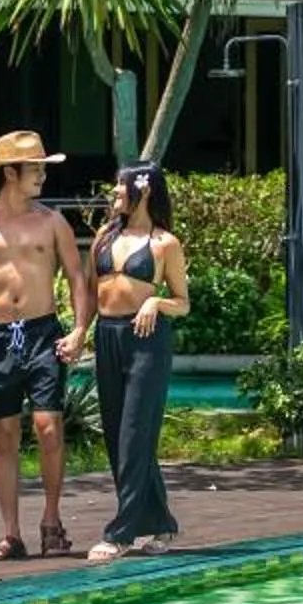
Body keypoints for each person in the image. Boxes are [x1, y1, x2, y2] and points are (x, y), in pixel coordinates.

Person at [0, 130, 91, 562]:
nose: (43, 176)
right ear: (10, 172)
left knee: (49, 427)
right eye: (36, 169)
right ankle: (11, 534)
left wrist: (80, 329)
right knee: (4, 435)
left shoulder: (52, 221)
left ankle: (51, 521)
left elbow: (78, 277)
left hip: (43, 332)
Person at [85, 160, 190, 563]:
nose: (113, 194)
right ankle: (161, 523)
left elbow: (183, 303)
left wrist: (155, 300)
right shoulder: (103, 237)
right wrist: (80, 333)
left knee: (134, 435)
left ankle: (121, 532)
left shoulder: (165, 244)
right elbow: (92, 292)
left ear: (143, 190)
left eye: (119, 187)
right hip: (107, 336)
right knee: (119, 437)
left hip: (146, 341)